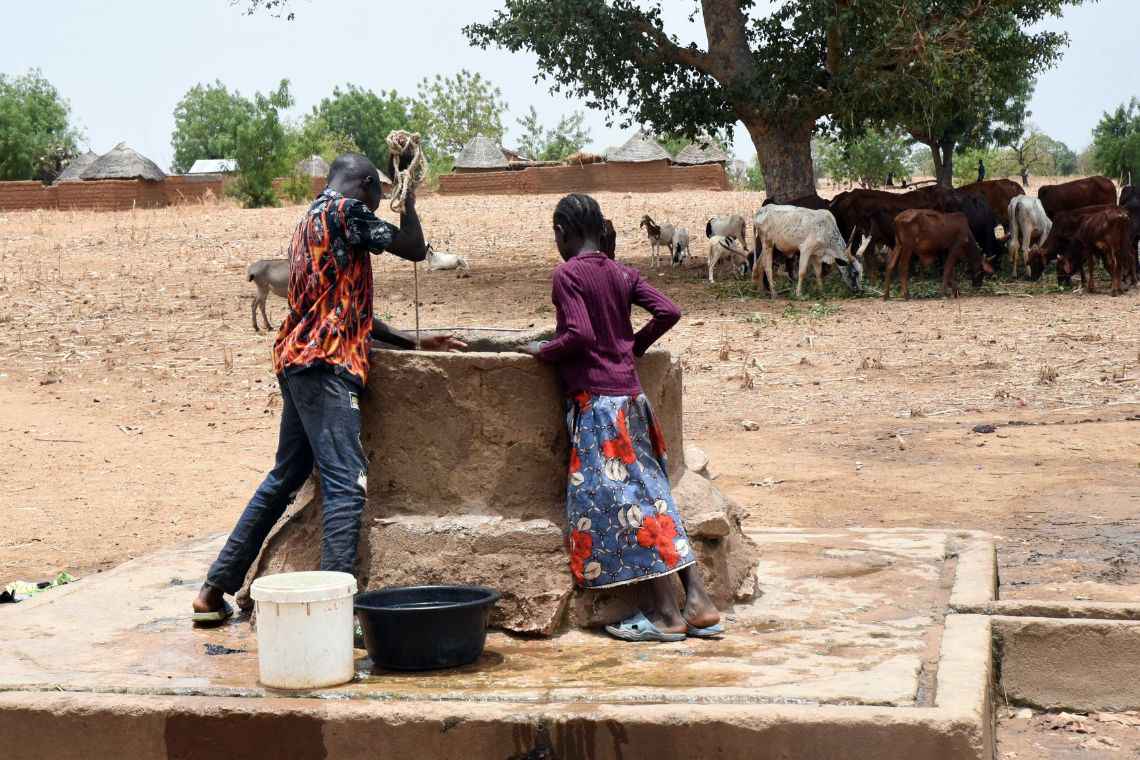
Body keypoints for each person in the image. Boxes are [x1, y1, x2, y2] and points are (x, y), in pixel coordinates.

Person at [192, 152, 464, 622]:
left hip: (298, 358)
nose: (380, 204)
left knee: (284, 477)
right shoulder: (346, 212)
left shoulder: (308, 222)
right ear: (366, 186)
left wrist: (413, 339)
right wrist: (410, 194)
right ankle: (333, 611)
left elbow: (343, 308)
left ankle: (214, 589)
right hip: (328, 365)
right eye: (379, 194)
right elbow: (416, 248)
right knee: (347, 484)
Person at [518, 194, 722, 642]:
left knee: (628, 504)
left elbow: (578, 334)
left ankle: (666, 614)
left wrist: (541, 350)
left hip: (599, 406)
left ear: (561, 234)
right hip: (633, 400)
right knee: (653, 494)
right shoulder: (623, 273)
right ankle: (699, 601)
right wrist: (633, 346)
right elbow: (669, 310)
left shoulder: (568, 275)